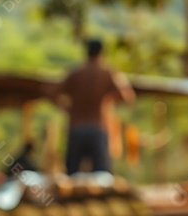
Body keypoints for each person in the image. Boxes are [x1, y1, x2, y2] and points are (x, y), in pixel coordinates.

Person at [53, 39, 135, 175]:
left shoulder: (75, 73)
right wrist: (107, 98)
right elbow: (127, 97)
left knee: (71, 174)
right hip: (97, 128)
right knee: (101, 176)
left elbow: (52, 93)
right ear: (102, 53)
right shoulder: (107, 73)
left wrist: (68, 108)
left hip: (76, 128)